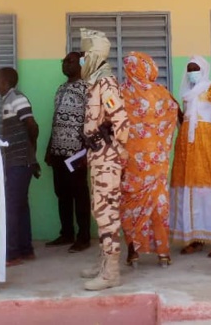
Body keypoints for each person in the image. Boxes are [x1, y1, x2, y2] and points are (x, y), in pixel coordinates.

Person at [77, 28, 130, 291]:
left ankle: (111, 273)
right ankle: (102, 264)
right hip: (97, 155)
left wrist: (114, 149)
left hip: (106, 157)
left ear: (94, 56)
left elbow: (121, 122)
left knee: (107, 212)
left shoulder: (107, 83)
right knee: (99, 210)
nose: (81, 60)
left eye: (85, 55)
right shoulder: (95, 83)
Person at [119, 52, 179, 268]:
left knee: (129, 205)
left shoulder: (121, 92)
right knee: (158, 205)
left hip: (130, 162)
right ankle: (163, 253)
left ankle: (133, 253)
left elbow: (110, 122)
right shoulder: (162, 93)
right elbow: (177, 115)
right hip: (157, 162)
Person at [170, 56, 211, 258]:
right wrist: (175, 110)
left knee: (206, 188)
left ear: (203, 69)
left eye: (195, 69)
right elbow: (185, 120)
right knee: (188, 187)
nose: (191, 73)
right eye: (189, 69)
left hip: (206, 142)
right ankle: (195, 238)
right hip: (186, 145)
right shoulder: (188, 94)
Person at [44, 52, 91, 253]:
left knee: (79, 194)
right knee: (62, 194)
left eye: (70, 61)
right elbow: (56, 120)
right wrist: (49, 148)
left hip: (76, 152)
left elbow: (92, 121)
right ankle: (67, 233)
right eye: (64, 61)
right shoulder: (61, 88)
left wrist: (86, 152)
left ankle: (84, 237)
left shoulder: (87, 88)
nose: (65, 64)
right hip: (58, 151)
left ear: (81, 65)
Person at [0, 67, 41, 267]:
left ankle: (13, 253)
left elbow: (32, 125)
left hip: (20, 160)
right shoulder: (6, 100)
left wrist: (31, 153)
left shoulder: (16, 98)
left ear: (5, 82)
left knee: (12, 207)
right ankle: (26, 250)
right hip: (16, 160)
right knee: (20, 206)